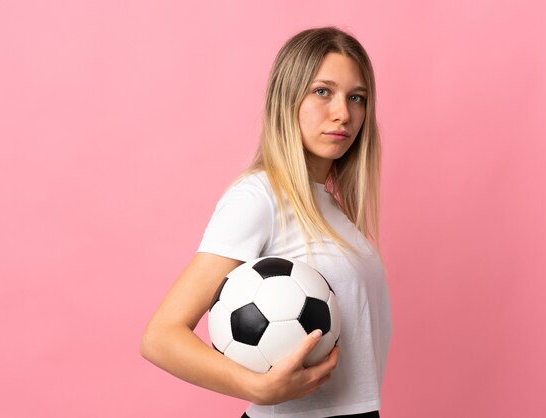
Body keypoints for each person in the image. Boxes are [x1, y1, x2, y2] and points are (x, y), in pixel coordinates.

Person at [140, 26, 392, 418]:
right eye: (322, 91)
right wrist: (257, 386)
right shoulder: (260, 196)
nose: (343, 113)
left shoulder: (331, 209)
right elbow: (160, 337)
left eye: (356, 97)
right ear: (286, 98)